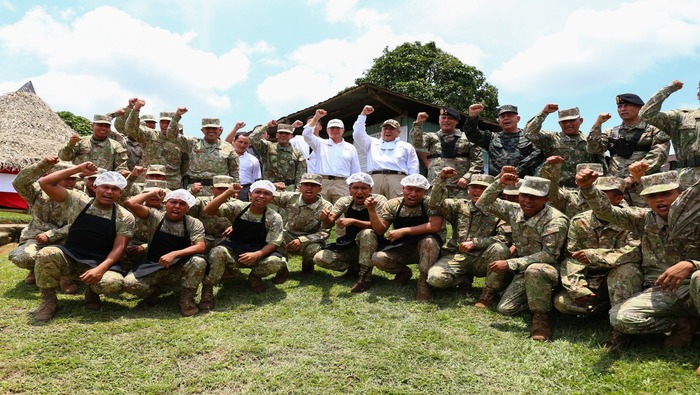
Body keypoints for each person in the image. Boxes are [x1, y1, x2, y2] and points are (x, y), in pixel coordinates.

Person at [578, 163, 700, 350]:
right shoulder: (644, 219)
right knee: (620, 318)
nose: (660, 200)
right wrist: (588, 188)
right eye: (652, 196)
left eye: (666, 194)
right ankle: (682, 324)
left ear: (681, 194)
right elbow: (607, 211)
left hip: (695, 287)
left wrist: (691, 264)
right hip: (663, 292)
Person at [474, 169, 569, 341]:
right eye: (524, 195)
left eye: (534, 197)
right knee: (505, 309)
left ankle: (541, 319)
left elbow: (549, 256)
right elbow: (483, 204)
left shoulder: (555, 220)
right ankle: (542, 296)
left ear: (546, 200)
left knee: (535, 270)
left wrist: (510, 264)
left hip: (550, 270)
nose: (527, 200)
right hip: (524, 269)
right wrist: (500, 183)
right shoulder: (514, 210)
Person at [33, 164, 135, 321]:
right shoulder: (78, 201)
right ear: (95, 187)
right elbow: (45, 183)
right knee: (46, 254)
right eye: (105, 187)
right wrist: (78, 169)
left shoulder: (125, 216)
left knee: (111, 283)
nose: (109, 192)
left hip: (99, 262)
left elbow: (119, 248)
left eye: (115, 189)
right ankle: (48, 301)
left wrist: (100, 269)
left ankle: (92, 292)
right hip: (71, 257)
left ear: (120, 193)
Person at [553, 175, 643, 348]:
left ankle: (621, 330)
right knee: (561, 303)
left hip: (620, 277)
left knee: (626, 269)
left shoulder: (633, 219)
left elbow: (634, 253)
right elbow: (572, 257)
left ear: (618, 198)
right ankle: (606, 309)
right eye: (593, 194)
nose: (594, 199)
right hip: (593, 281)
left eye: (602, 195)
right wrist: (578, 288)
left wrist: (595, 255)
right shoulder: (580, 221)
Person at [200, 180, 287, 309]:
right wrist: (228, 192)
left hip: (258, 251)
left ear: (272, 198)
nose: (261, 196)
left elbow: (274, 243)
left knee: (275, 261)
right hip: (235, 249)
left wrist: (256, 254)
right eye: (258, 192)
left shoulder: (274, 217)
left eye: (266, 193)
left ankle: (255, 277)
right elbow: (209, 210)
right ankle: (207, 290)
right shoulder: (238, 207)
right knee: (217, 252)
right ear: (250, 194)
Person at [123, 189, 207, 317]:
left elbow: (200, 247)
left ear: (188, 208)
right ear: (165, 204)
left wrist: (174, 254)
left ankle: (186, 299)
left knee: (199, 261)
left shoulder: (193, 223)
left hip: (179, 269)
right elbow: (130, 203)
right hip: (153, 266)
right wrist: (151, 194)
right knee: (129, 284)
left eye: (182, 204)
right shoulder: (155, 217)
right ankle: (153, 292)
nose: (177, 206)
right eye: (173, 202)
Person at [426, 170, 510, 296]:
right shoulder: (459, 205)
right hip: (456, 256)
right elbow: (435, 204)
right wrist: (441, 180)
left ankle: (488, 293)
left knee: (500, 249)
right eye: (474, 187)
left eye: (482, 188)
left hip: (483, 259)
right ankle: (462, 279)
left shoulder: (500, 210)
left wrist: (475, 243)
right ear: (468, 189)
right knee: (435, 279)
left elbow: (504, 238)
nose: (477, 191)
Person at [587, 93, 670, 207]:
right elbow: (593, 149)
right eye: (620, 107)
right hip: (616, 188)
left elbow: (658, 155)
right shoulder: (611, 132)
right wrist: (597, 124)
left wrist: (633, 177)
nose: (623, 109)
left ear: (640, 108)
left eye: (627, 105)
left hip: (644, 185)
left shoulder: (654, 130)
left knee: (647, 219)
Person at [9, 157, 79, 293]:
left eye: (73, 179)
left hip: (65, 239)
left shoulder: (78, 197)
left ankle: (65, 277)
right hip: (35, 237)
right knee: (22, 258)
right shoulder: (37, 193)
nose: (71, 182)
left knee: (69, 251)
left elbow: (77, 225)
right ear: (55, 177)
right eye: (67, 178)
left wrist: (51, 235)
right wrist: (43, 165)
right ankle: (34, 269)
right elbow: (19, 183)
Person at [370, 174, 442, 301]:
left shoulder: (431, 203)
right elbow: (380, 229)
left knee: (429, 241)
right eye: (409, 189)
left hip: (426, 251)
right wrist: (371, 210)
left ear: (425, 191)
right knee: (378, 258)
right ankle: (403, 272)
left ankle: (424, 283)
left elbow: (434, 226)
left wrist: (403, 231)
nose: (413, 194)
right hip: (402, 248)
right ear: (403, 188)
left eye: (418, 190)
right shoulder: (393, 204)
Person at [313, 172, 385, 292]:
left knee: (366, 233)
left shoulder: (379, 200)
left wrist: (354, 221)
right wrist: (325, 217)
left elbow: (379, 228)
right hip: (351, 244)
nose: (359, 192)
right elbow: (330, 222)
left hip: (374, 245)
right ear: (349, 189)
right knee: (320, 258)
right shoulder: (344, 201)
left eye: (364, 188)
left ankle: (365, 278)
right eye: (355, 188)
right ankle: (354, 266)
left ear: (370, 189)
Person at [524, 105, 606, 188]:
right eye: (564, 121)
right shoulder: (551, 138)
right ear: (559, 123)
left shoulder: (590, 142)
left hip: (584, 191)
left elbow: (601, 164)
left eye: (572, 120)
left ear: (581, 121)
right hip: (557, 192)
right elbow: (529, 133)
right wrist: (544, 113)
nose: (568, 124)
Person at [410, 108, 483, 198]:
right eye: (443, 118)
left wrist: (467, 178)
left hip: (460, 187)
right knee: (435, 211)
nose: (446, 121)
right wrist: (418, 123)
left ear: (456, 121)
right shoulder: (431, 137)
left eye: (450, 118)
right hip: (436, 185)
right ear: (439, 120)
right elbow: (417, 143)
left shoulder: (468, 138)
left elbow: (478, 161)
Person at [639, 80, 700, 188]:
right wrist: (668, 89)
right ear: (698, 95)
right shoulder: (681, 117)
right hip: (689, 179)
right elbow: (646, 114)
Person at [352, 105, 419, 198]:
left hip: (397, 179)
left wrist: (412, 186)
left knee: (396, 207)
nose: (388, 131)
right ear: (381, 130)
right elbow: (358, 134)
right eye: (385, 128)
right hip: (375, 179)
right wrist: (363, 114)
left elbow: (413, 167)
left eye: (391, 128)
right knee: (374, 207)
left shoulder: (406, 146)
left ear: (398, 132)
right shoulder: (371, 143)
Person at [167, 108, 240, 194]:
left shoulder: (228, 147)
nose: (211, 131)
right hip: (195, 190)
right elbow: (171, 136)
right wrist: (177, 116)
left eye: (214, 128)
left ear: (219, 130)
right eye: (208, 128)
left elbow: (234, 172)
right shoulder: (192, 143)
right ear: (202, 130)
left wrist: (235, 190)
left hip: (218, 191)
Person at [272, 173, 333, 276]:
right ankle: (282, 268)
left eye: (313, 185)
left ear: (320, 189)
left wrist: (302, 240)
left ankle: (308, 266)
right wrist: (272, 185)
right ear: (299, 187)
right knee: (275, 239)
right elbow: (264, 194)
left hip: (310, 239)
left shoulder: (326, 206)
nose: (309, 188)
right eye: (306, 185)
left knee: (314, 250)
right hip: (289, 234)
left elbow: (324, 232)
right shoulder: (290, 197)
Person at [463, 104, 542, 177]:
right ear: (499, 121)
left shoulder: (528, 137)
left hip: (520, 184)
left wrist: (517, 170)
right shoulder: (492, 137)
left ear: (518, 119)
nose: (506, 118)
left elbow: (538, 155)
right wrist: (472, 117)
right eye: (502, 116)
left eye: (510, 115)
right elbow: (472, 135)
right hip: (495, 183)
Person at [125, 99, 186, 189]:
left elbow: (186, 164)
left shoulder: (181, 141)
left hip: (171, 185)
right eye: (162, 122)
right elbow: (130, 129)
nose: (165, 125)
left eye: (168, 122)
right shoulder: (150, 135)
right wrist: (136, 109)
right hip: (147, 183)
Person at [303, 109, 361, 203]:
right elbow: (306, 134)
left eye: (338, 128)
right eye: (332, 128)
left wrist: (355, 187)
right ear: (327, 130)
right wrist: (316, 117)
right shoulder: (320, 143)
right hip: (322, 183)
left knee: (340, 214)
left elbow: (355, 170)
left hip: (342, 184)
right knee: (320, 212)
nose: (335, 130)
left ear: (343, 130)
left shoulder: (350, 147)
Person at [250, 120, 306, 191]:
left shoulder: (297, 153)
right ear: (276, 135)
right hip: (269, 188)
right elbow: (252, 138)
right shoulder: (267, 147)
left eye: (287, 133)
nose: (283, 135)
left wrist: (298, 191)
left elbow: (301, 175)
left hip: (289, 190)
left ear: (291, 136)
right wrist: (267, 125)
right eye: (281, 133)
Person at [59, 114, 128, 172]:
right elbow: (64, 158)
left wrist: (123, 172)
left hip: (101, 183)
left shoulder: (116, 146)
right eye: (100, 125)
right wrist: (70, 145)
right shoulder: (79, 141)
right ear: (92, 126)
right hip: (79, 180)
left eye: (107, 126)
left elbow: (121, 167)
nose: (103, 128)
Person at [187, 176, 236, 253]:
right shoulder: (201, 202)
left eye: (226, 189)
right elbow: (184, 208)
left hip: (225, 241)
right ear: (212, 189)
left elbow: (247, 221)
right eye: (220, 188)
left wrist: (235, 227)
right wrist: (191, 192)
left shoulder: (237, 205)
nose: (223, 192)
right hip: (202, 239)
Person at [231, 131, 261, 202]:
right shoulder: (226, 157)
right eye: (240, 142)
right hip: (227, 188)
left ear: (249, 144)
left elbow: (256, 179)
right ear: (233, 141)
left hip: (245, 190)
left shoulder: (253, 160)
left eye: (245, 143)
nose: (242, 145)